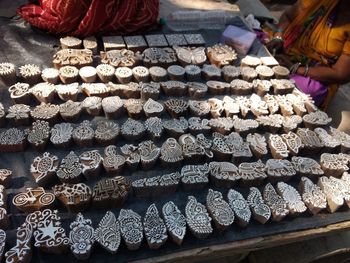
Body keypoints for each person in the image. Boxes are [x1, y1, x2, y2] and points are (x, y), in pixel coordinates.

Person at [267, 0, 350, 107]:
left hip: (316, 74)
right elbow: (288, 16)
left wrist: (295, 68)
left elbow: (341, 74)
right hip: (285, 50)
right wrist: (278, 37)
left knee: (301, 93)